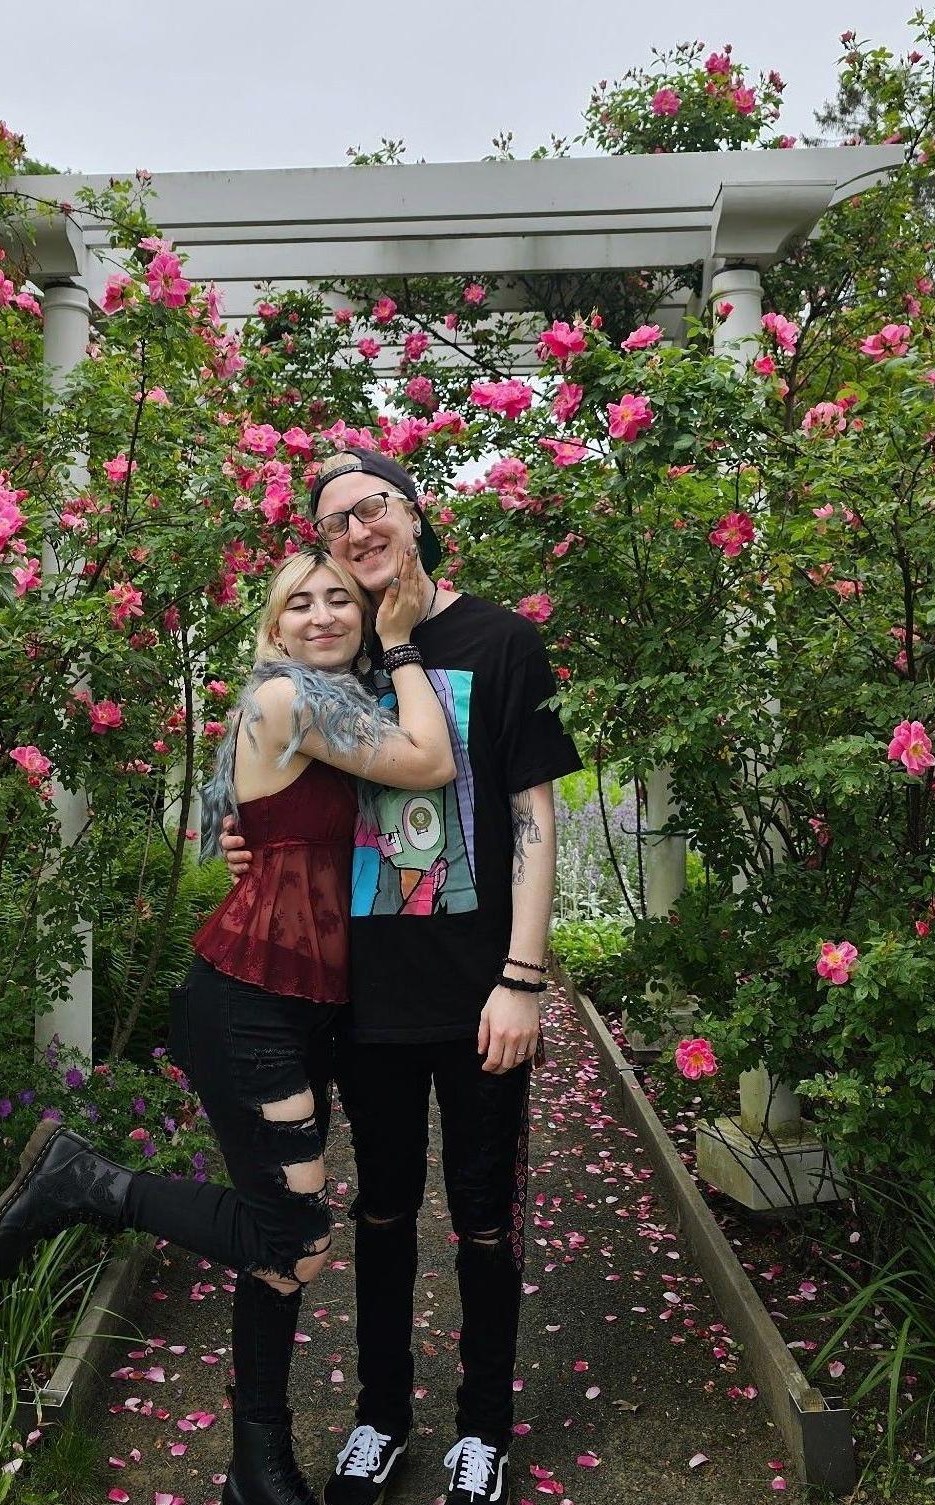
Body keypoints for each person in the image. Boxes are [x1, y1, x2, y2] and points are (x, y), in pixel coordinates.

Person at [0, 544, 454, 1505]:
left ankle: (257, 1472)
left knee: (275, 1255)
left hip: (301, 1004)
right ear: (273, 628)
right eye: (299, 603)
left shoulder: (333, 705)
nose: (324, 614)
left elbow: (276, 826)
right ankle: (87, 1180)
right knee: (297, 1239)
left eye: (340, 600)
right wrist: (403, 643)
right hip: (249, 999)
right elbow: (431, 762)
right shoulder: (287, 698)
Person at [222, 449, 582, 1505]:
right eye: (333, 520)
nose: (356, 529)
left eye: (372, 504)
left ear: (416, 513)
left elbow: (531, 817)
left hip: (477, 992)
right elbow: (280, 787)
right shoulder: (329, 648)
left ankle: (481, 1428)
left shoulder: (499, 641)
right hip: (361, 996)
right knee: (380, 1212)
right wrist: (250, 843)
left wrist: (522, 977)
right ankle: (379, 1416)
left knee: (482, 1217)